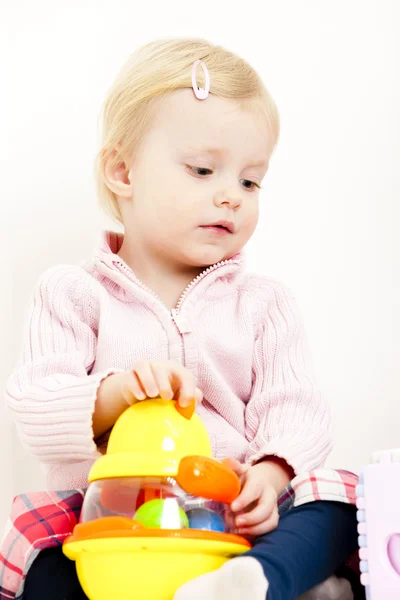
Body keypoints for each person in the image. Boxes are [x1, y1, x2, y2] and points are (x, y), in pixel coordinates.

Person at [5, 37, 361, 600]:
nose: (232, 197)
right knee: (40, 546)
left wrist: (266, 477)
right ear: (123, 171)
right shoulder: (73, 293)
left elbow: (296, 411)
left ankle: (261, 580)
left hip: (234, 523)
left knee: (337, 497)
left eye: (249, 180)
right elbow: (35, 405)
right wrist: (114, 393)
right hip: (115, 525)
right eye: (202, 170)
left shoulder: (264, 304)